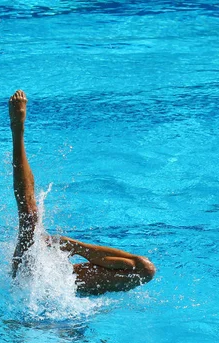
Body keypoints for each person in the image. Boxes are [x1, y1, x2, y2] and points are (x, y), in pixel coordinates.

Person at [8, 90, 156, 295]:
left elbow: (142, 269)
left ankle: (69, 245)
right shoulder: (32, 284)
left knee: (145, 269)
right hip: (27, 283)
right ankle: (18, 130)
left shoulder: (72, 284)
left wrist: (74, 248)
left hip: (52, 286)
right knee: (30, 219)